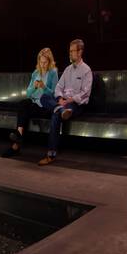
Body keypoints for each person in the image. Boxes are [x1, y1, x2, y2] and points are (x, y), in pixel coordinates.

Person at [39, 38, 92, 166]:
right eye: (69, 51)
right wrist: (60, 99)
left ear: (80, 52)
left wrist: (69, 100)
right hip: (63, 103)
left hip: (76, 104)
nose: (70, 53)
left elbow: (85, 93)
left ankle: (51, 154)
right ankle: (60, 109)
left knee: (55, 114)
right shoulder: (67, 70)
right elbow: (58, 88)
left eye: (72, 51)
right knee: (44, 97)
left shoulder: (86, 70)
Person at [3, 48, 57, 158]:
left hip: (45, 106)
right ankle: (19, 136)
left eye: (45, 62)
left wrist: (44, 87)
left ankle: (16, 146)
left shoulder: (53, 73)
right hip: (34, 103)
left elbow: (55, 94)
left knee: (24, 111)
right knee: (23, 103)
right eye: (41, 62)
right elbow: (28, 93)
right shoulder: (35, 73)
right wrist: (34, 87)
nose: (43, 65)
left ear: (50, 61)